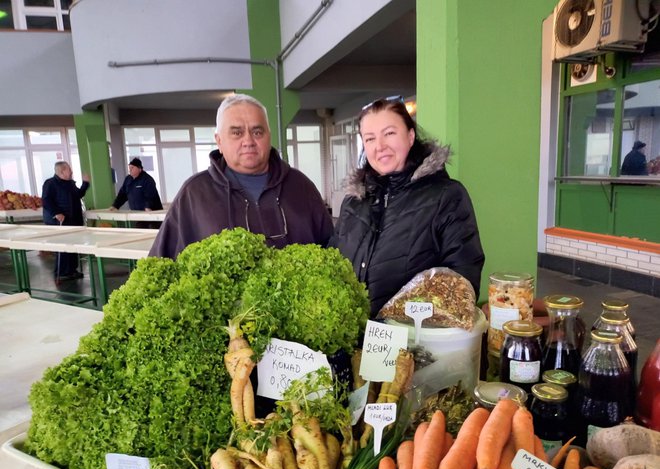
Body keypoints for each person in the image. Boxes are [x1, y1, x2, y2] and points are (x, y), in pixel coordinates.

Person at [329, 97, 485, 318]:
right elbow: (334, 262)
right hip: (357, 340)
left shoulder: (446, 196)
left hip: (414, 341)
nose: (380, 146)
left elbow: (463, 277)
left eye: (389, 133)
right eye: (370, 138)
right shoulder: (353, 202)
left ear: (410, 136)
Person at [149, 94, 333, 259]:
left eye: (257, 132)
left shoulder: (301, 187)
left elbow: (331, 249)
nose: (248, 141)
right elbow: (160, 263)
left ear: (269, 136)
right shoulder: (194, 194)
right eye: (237, 132)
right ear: (219, 141)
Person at [41, 161, 90, 281]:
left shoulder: (69, 183)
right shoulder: (50, 183)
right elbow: (46, 200)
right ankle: (62, 272)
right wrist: (56, 213)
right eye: (69, 169)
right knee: (63, 247)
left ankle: (71, 270)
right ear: (62, 171)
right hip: (61, 221)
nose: (71, 171)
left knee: (73, 246)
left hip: (74, 220)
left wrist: (85, 184)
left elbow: (78, 195)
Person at [110, 157, 163, 228]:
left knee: (153, 233)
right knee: (140, 232)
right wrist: (115, 206)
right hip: (139, 215)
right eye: (129, 168)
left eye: (132, 168)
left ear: (139, 169)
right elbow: (122, 194)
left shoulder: (147, 180)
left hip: (152, 214)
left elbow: (150, 195)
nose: (130, 170)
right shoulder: (128, 179)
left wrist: (148, 206)